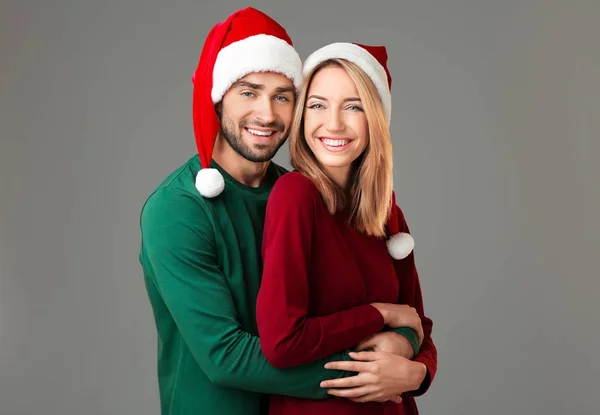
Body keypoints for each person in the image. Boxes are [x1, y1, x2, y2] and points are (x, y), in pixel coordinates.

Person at [139, 8, 423, 415]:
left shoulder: (300, 193)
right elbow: (226, 356)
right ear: (218, 98)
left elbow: (359, 310)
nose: (268, 114)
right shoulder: (177, 209)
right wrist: (376, 377)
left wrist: (406, 350)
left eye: (283, 97)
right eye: (249, 92)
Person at [255, 42, 437, 415]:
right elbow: (282, 342)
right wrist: (380, 314)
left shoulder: (386, 211)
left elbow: (420, 328)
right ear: (302, 115)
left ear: (375, 118)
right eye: (318, 105)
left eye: (352, 107)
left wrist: (415, 373)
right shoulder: (295, 195)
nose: (333, 123)